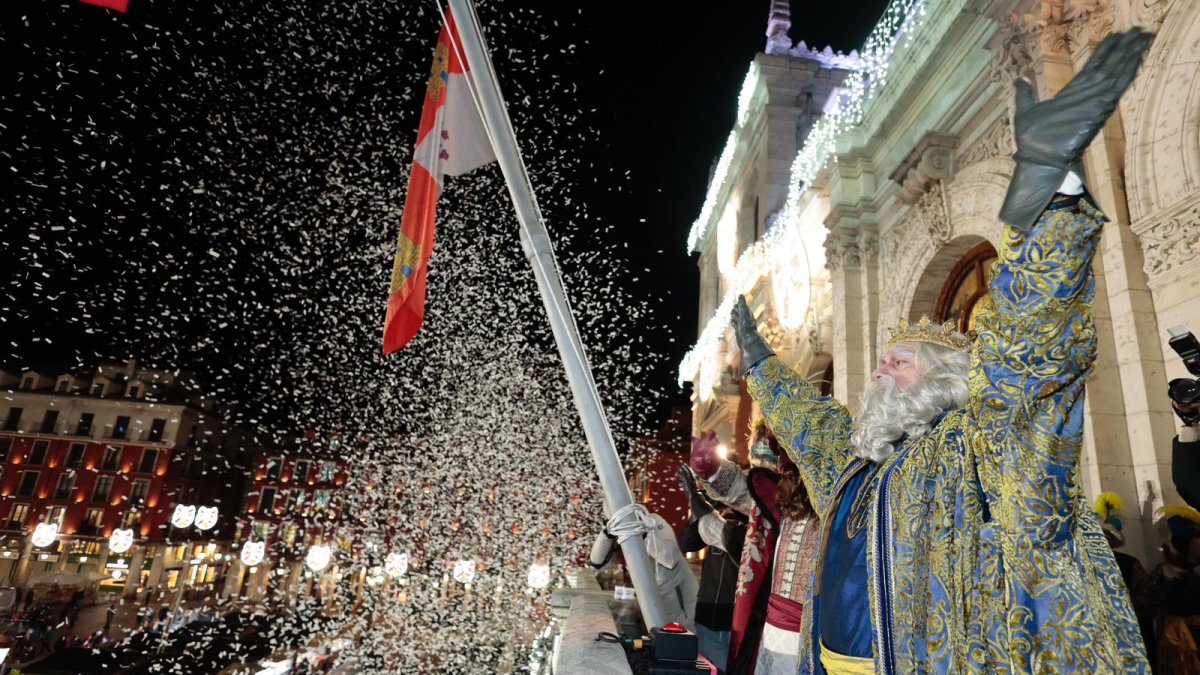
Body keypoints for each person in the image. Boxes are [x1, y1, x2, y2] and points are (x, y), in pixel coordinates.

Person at [728, 29, 1153, 673]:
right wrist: (761, 363)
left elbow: (1027, 355)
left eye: (898, 362)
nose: (878, 371)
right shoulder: (855, 466)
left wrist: (1048, 194)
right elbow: (808, 425)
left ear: (943, 381)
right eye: (883, 360)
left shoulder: (979, 447)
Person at [677, 464, 746, 674]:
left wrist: (696, 498)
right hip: (708, 617)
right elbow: (687, 543)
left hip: (738, 620)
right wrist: (699, 509)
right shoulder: (715, 514)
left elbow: (722, 531)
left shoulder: (752, 524)